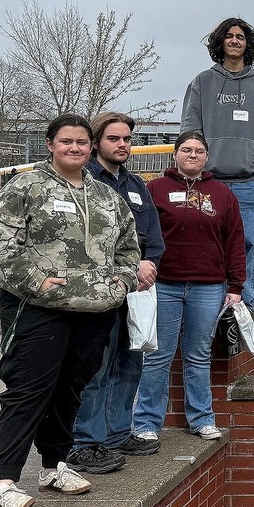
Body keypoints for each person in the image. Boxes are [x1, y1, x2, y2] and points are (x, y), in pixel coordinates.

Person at [0, 114, 139, 507]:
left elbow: (128, 245)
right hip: (38, 310)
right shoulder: (25, 188)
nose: (75, 148)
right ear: (50, 144)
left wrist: (120, 284)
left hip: (95, 311)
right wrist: (39, 283)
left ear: (91, 148)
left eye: (82, 143)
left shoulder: (106, 196)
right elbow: (3, 248)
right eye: (66, 141)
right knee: (27, 391)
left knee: (70, 389)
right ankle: (5, 484)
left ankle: (54, 467)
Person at [129, 131, 246, 451]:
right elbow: (141, 234)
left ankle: (202, 418)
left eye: (198, 151)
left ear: (207, 157)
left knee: (197, 356)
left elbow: (235, 241)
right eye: (186, 150)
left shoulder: (222, 194)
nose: (192, 155)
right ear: (175, 154)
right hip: (163, 285)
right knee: (157, 356)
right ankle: (146, 423)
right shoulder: (155, 189)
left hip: (208, 287)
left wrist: (236, 285)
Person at [68, 113, 165, 472]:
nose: (122, 145)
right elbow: (85, 240)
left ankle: (117, 431)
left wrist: (150, 263)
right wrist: (131, 266)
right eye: (114, 139)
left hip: (137, 290)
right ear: (96, 143)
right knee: (97, 367)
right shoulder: (85, 180)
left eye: (126, 139)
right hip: (100, 289)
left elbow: (153, 234)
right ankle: (84, 441)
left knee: (130, 362)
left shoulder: (137, 185)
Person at [180, 17, 254, 312]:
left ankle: (243, 305)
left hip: (248, 182)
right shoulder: (201, 82)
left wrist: (253, 156)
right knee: (205, 244)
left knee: (248, 242)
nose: (235, 41)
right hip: (207, 181)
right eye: (230, 36)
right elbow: (190, 126)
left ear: (248, 45)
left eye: (241, 37)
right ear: (220, 42)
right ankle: (206, 302)